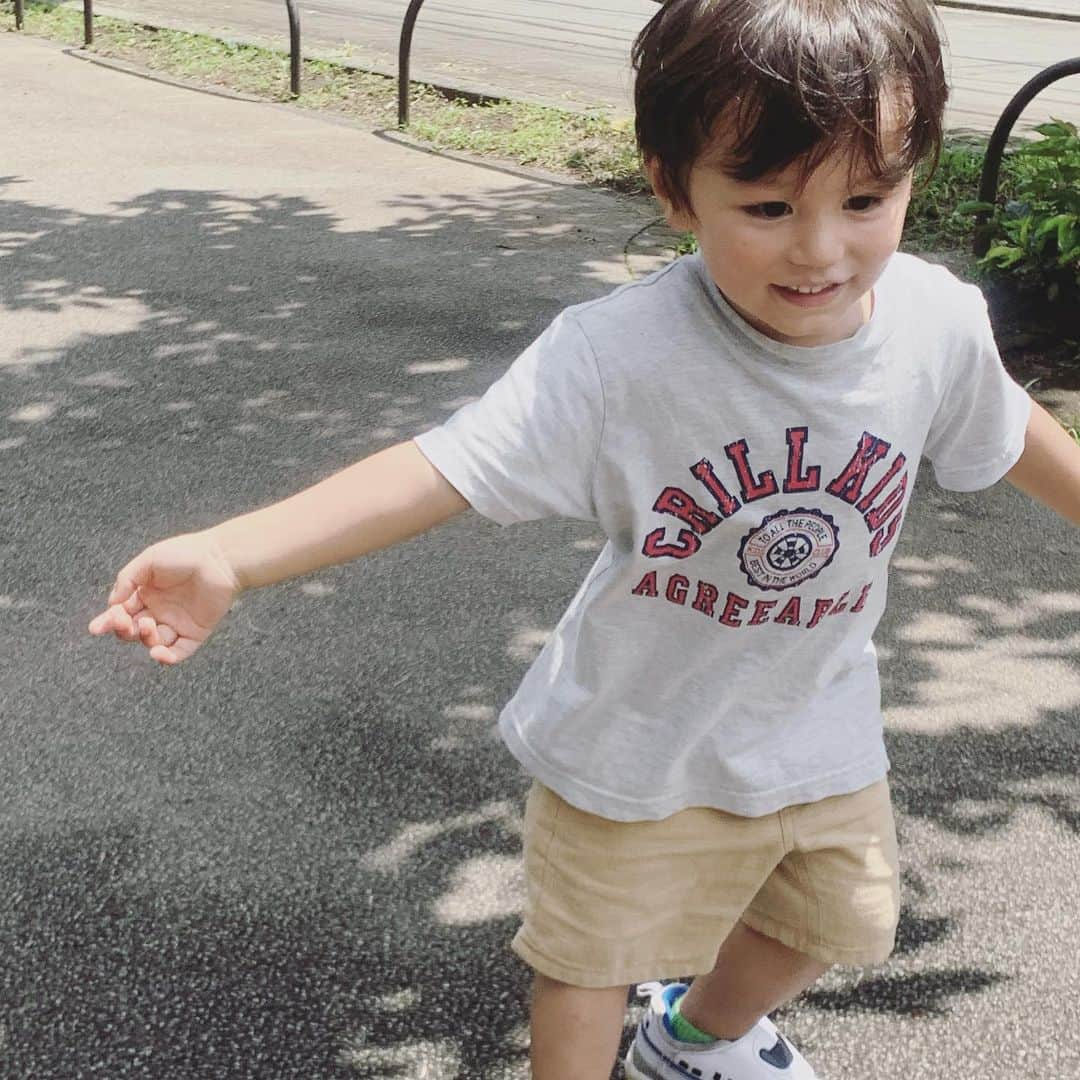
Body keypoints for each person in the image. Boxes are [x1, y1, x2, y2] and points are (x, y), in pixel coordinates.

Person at [89, 0, 1080, 1077]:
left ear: (912, 175)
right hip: (631, 738)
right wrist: (238, 551)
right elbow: (445, 465)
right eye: (765, 204)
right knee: (585, 961)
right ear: (672, 187)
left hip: (818, 724)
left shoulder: (932, 321)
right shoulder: (620, 354)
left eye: (866, 198)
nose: (821, 249)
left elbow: (1008, 425)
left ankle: (692, 1040)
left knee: (836, 922)